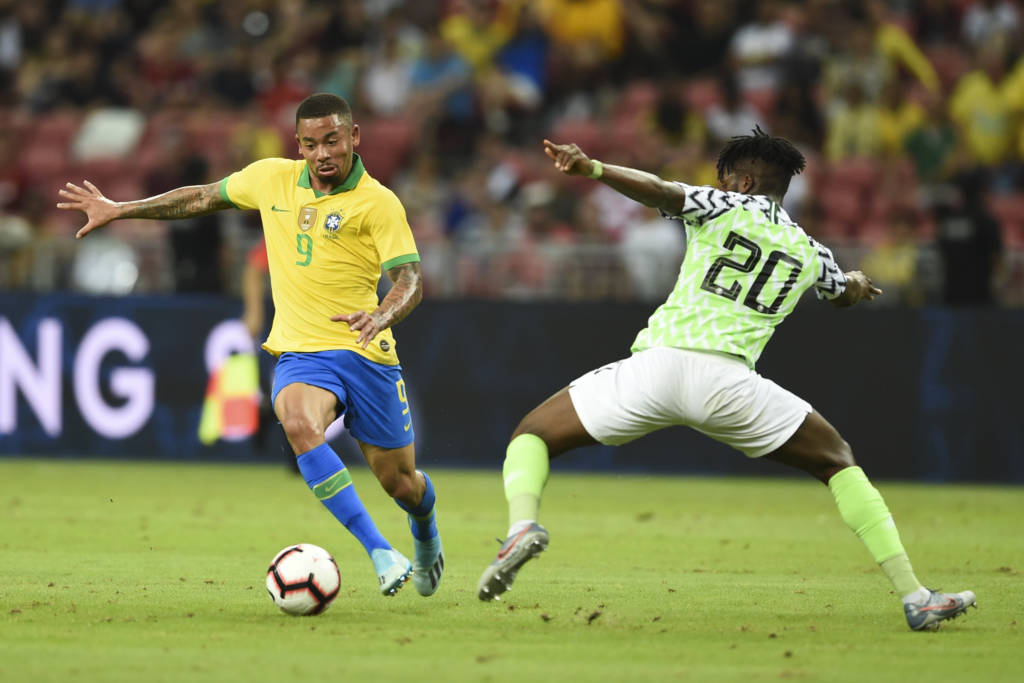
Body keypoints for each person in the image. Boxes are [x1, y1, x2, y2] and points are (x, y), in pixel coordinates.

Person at [477, 128, 976, 631]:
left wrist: (595, 169)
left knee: (532, 435)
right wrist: (857, 282)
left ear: (744, 182)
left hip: (657, 368)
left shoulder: (721, 205)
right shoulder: (809, 249)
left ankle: (522, 526)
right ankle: (915, 596)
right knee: (837, 460)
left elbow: (661, 191)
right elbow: (840, 292)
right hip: (730, 386)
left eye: (725, 178)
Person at [57, 93, 444, 599]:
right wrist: (122, 209)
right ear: (298, 145)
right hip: (302, 352)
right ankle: (380, 551)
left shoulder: (379, 202)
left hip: (366, 352)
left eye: (332, 141)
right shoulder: (271, 178)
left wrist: (381, 315)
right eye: (310, 144)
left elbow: (410, 280)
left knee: (402, 484)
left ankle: (425, 531)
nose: (322, 153)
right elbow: (201, 198)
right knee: (298, 422)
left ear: (353, 137)